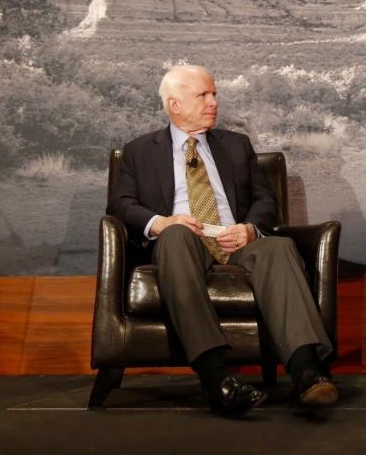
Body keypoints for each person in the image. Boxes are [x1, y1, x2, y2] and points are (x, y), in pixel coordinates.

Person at [108, 64, 336, 417]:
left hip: (236, 239)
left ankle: (306, 372)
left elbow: (264, 200)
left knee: (278, 248)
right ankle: (218, 380)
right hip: (186, 239)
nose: (214, 102)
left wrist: (249, 228)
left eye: (214, 94)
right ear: (175, 104)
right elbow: (120, 204)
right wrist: (162, 222)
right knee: (174, 237)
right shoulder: (139, 151)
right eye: (203, 95)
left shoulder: (235, 145)